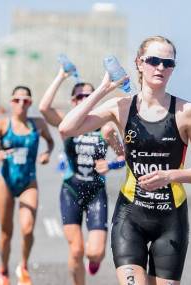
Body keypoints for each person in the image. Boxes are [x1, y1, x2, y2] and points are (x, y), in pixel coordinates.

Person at [58, 36, 191, 285]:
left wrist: (171, 175)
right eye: (154, 60)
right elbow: (66, 128)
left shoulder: (186, 111)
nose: (161, 68)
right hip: (130, 217)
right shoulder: (122, 107)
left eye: (168, 63)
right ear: (139, 63)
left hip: (171, 219)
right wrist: (103, 89)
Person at [39, 68, 125, 285]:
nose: (84, 99)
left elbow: (125, 157)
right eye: (80, 96)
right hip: (71, 190)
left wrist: (111, 164)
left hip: (96, 191)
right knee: (76, 250)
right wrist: (60, 75)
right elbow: (43, 108)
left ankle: (94, 260)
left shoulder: (104, 126)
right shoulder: (65, 122)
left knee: (95, 252)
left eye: (89, 96)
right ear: (73, 101)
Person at [0, 86, 54, 285]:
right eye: (17, 100)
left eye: (25, 101)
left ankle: (23, 266)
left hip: (28, 182)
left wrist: (47, 153)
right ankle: (3, 269)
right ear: (11, 102)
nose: (21, 104)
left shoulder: (38, 124)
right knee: (6, 233)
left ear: (30, 103)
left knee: (27, 228)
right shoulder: (2, 124)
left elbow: (50, 142)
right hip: (6, 182)